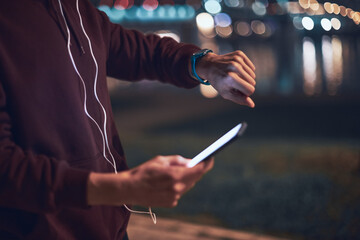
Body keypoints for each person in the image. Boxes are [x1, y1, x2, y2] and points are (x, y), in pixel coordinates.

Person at [0, 0, 256, 239]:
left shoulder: (75, 7)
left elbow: (135, 50)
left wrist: (206, 64)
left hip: (111, 227)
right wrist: (122, 188)